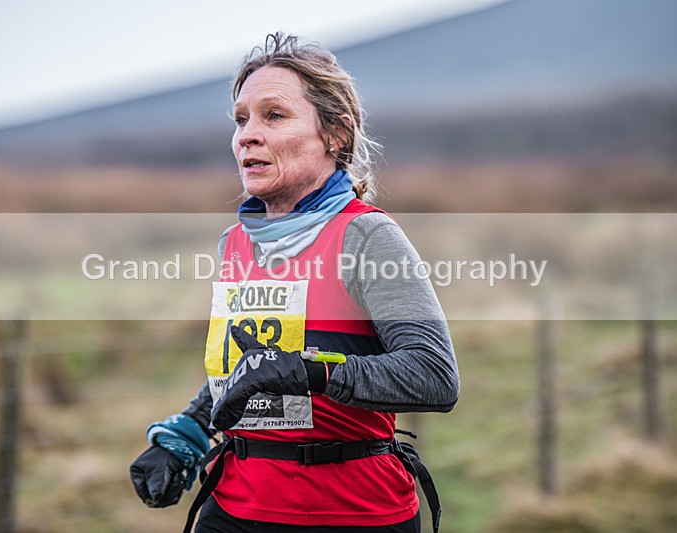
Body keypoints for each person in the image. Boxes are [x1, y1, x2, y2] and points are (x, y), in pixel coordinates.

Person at [130, 32, 459, 533]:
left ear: (336, 135)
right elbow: (249, 364)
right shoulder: (237, 243)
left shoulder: (364, 236)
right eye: (241, 119)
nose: (247, 135)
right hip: (236, 507)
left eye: (274, 115)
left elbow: (434, 375)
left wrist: (314, 372)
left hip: (355, 511)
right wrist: (188, 432)